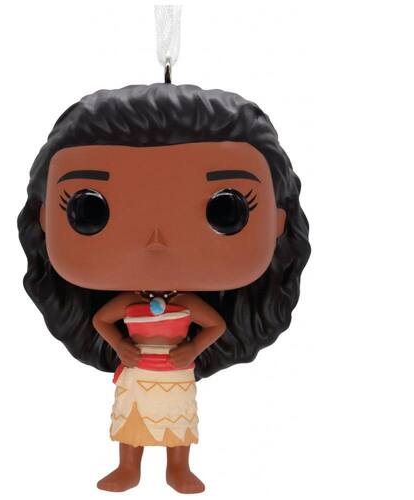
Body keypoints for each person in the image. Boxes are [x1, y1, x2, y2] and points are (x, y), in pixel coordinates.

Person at [17, 83, 311, 493]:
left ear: (278, 223)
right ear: (45, 218)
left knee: (177, 421)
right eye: (89, 209)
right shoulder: (130, 304)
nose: (156, 241)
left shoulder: (185, 304)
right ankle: (129, 467)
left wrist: (192, 348)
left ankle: (178, 468)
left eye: (226, 209)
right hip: (140, 369)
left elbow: (214, 326)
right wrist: (120, 346)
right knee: (132, 421)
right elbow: (102, 320)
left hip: (174, 371)